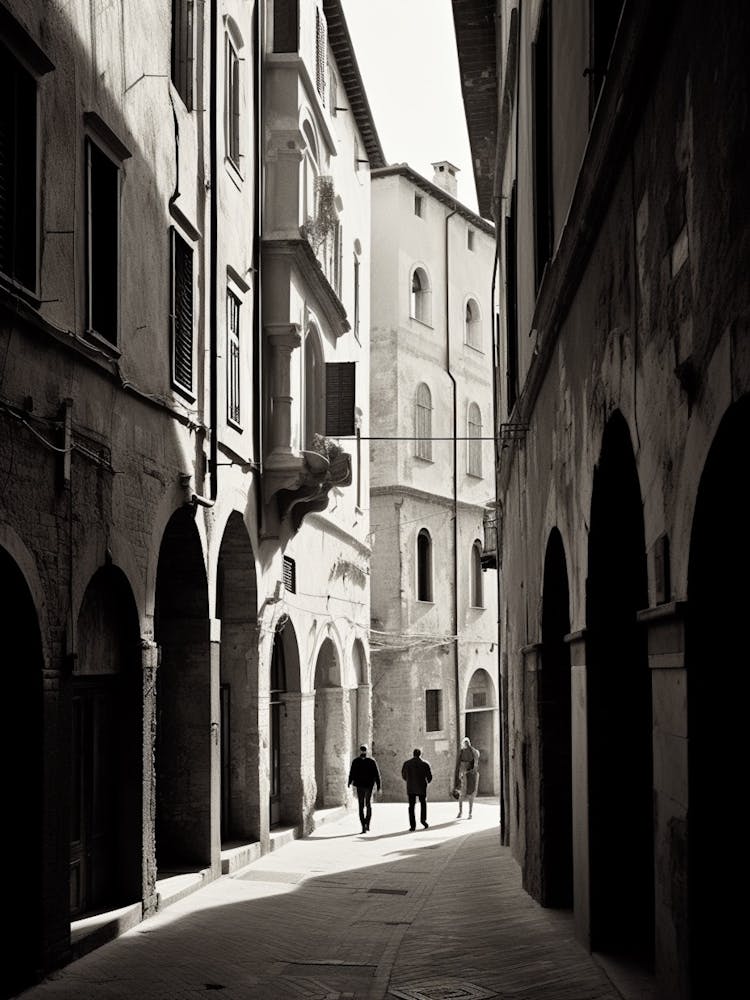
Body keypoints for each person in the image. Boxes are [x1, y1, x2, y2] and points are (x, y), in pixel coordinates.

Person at [347, 744, 381, 833]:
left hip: (363, 785)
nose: (363, 752)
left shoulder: (357, 761)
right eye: (363, 750)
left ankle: (365, 824)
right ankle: (365, 825)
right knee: (366, 804)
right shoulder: (370, 761)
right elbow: (376, 774)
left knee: (363, 805)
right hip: (366, 786)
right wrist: (378, 786)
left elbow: (376, 774)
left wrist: (350, 782)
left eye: (363, 750)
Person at [401, 747, 433, 831]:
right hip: (422, 787)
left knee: (411, 806)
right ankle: (423, 821)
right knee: (423, 804)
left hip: (411, 787)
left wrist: (409, 781)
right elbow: (429, 777)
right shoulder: (425, 764)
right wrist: (427, 782)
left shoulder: (407, 763)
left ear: (413, 754)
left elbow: (404, 775)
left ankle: (412, 825)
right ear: (420, 754)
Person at [454, 736, 480, 818]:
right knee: (467, 795)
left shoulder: (471, 752)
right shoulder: (474, 752)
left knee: (468, 794)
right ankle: (464, 812)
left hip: (468, 775)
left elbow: (460, 765)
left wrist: (460, 774)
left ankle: (466, 813)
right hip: (468, 775)